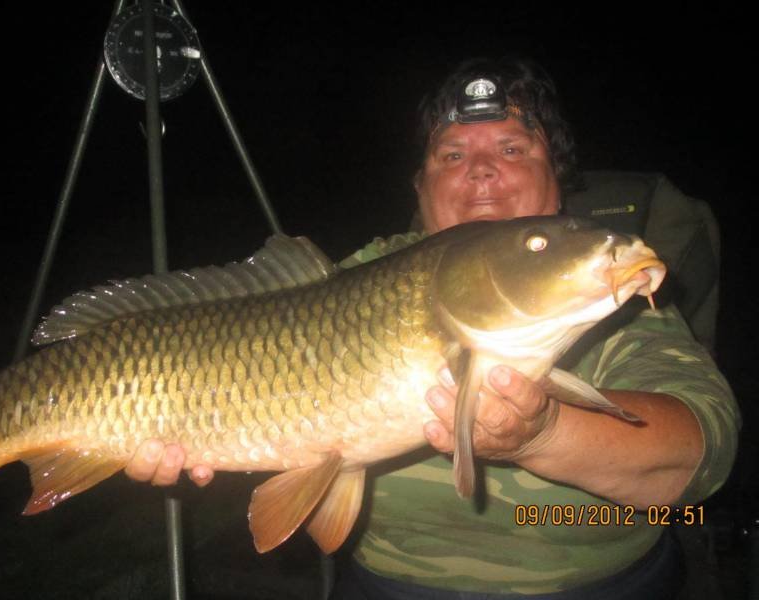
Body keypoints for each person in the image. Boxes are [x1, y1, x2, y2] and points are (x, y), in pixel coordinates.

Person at [124, 57, 740, 598]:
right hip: (386, 586)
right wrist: (170, 419)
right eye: (452, 155)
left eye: (512, 149)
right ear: (421, 189)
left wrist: (543, 432)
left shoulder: (604, 294)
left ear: (558, 188)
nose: (480, 173)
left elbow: (698, 454)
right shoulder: (352, 280)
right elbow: (302, 469)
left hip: (594, 586)